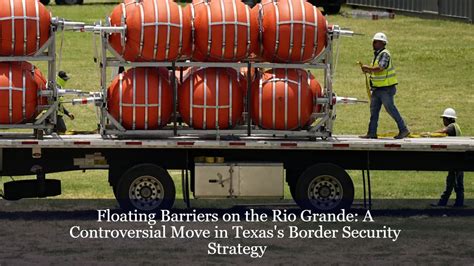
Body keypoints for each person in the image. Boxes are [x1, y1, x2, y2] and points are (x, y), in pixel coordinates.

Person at [359, 32, 410, 139]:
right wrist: (368, 71)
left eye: (376, 41)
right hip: (378, 89)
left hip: (386, 89)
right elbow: (376, 70)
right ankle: (371, 133)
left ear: (382, 43)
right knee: (374, 111)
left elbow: (381, 67)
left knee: (390, 109)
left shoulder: (385, 54)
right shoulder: (377, 55)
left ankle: (404, 129)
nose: (373, 43)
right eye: (373, 41)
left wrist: (368, 68)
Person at [431, 108, 464, 207]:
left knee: (451, 182)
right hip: (460, 159)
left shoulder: (451, 127)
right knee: (459, 183)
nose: (443, 121)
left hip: (455, 160)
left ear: (448, 119)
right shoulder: (456, 126)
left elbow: (442, 131)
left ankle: (443, 202)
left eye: (444, 118)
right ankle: (459, 202)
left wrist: (429, 134)